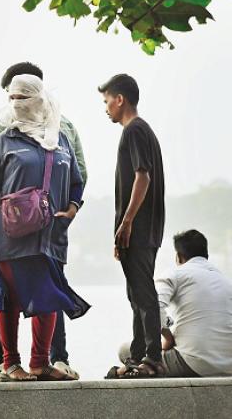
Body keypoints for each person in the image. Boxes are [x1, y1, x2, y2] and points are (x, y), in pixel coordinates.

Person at [0, 62, 87, 382]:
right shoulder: (5, 136)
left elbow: (77, 176)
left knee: (49, 295)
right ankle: (9, 361)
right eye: (12, 97)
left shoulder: (59, 135)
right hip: (10, 233)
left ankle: (42, 362)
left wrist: (71, 207)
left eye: (22, 96)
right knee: (8, 296)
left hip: (49, 233)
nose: (15, 103)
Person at [100, 73, 166, 378]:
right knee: (136, 294)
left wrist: (125, 224)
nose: (105, 108)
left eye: (106, 101)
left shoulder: (134, 130)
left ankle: (152, 357)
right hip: (147, 229)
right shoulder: (145, 131)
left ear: (120, 99)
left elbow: (143, 176)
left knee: (142, 293)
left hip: (138, 229)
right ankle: (138, 357)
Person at [115, 230, 232, 377]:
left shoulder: (176, 274)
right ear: (206, 255)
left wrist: (168, 338)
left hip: (193, 363)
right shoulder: (226, 281)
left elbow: (154, 306)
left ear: (179, 257)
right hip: (229, 364)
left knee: (125, 351)